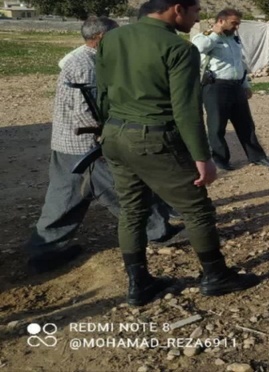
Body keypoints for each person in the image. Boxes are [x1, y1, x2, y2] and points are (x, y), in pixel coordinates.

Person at [97, 0, 259, 306]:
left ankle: (138, 282)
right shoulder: (180, 49)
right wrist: (203, 157)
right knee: (197, 209)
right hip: (154, 137)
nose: (197, 18)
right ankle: (216, 276)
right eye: (196, 10)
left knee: (132, 210)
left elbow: (102, 92)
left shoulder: (112, 38)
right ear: (178, 10)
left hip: (114, 135)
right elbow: (186, 109)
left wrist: (108, 130)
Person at [25, 17, 182, 274]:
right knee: (126, 189)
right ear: (100, 38)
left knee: (64, 196)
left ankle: (43, 251)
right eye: (116, 36)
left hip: (68, 144)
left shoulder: (88, 60)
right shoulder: (85, 65)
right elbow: (84, 112)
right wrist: (109, 136)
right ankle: (158, 231)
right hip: (87, 146)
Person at [191, 9, 269, 171]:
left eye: (238, 24)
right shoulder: (205, 36)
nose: (237, 27)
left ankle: (258, 157)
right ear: (221, 21)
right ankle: (220, 160)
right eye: (233, 23)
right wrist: (216, 33)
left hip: (236, 86)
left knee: (246, 125)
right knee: (217, 127)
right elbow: (199, 48)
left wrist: (246, 85)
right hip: (215, 86)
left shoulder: (234, 39)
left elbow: (240, 63)